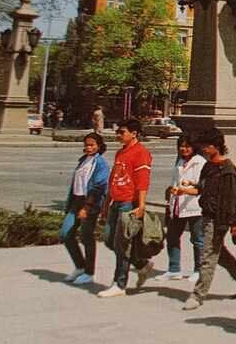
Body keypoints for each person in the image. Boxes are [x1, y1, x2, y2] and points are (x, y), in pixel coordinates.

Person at [182, 128, 236, 310]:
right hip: (206, 215)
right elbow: (202, 188)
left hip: (219, 218)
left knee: (207, 255)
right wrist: (187, 188)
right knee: (217, 253)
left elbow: (235, 198)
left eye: (207, 147)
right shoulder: (208, 167)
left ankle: (198, 295)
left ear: (216, 147)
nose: (204, 150)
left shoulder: (227, 170)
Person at [97, 119, 158, 298]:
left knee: (122, 246)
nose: (118, 135)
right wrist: (106, 204)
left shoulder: (141, 153)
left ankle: (119, 284)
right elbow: (112, 179)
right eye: (118, 132)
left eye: (121, 132)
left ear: (134, 133)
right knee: (109, 239)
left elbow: (142, 182)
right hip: (116, 202)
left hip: (128, 204)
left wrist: (141, 205)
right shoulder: (120, 153)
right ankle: (142, 265)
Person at [61, 133, 109, 285]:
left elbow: (99, 187)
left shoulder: (101, 163)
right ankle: (80, 266)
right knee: (65, 234)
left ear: (99, 146)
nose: (88, 147)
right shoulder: (83, 160)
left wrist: (87, 208)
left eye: (92, 145)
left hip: (90, 203)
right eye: (86, 144)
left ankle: (89, 272)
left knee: (86, 237)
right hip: (76, 202)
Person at [161, 134, 205, 281]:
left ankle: (199, 270)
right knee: (172, 236)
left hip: (195, 206)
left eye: (187, 146)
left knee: (197, 239)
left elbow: (201, 187)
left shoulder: (200, 162)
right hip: (177, 205)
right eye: (181, 146)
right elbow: (175, 181)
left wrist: (184, 190)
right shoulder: (179, 161)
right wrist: (171, 192)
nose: (184, 149)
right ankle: (174, 269)